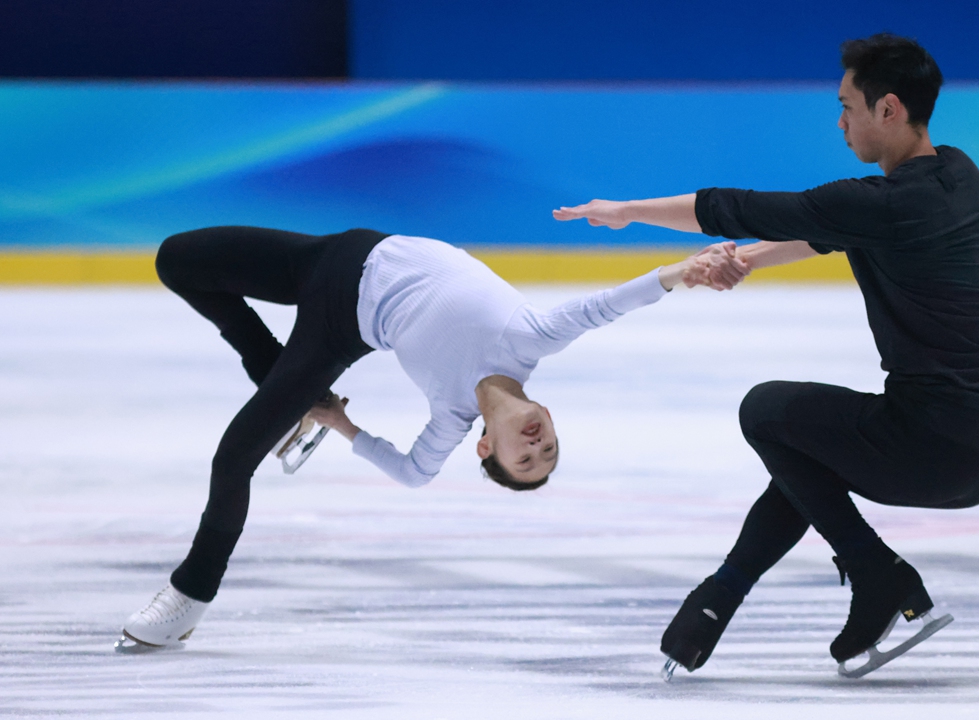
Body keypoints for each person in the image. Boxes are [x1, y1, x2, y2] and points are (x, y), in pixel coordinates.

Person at [553, 33, 979, 677]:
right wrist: (742, 260)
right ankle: (720, 597)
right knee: (804, 448)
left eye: (848, 106)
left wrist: (628, 211)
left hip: (934, 449)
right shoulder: (958, 176)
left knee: (767, 410)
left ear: (888, 109)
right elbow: (831, 232)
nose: (840, 122)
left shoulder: (878, 203)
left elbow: (733, 208)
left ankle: (878, 574)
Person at [116, 226, 728, 651]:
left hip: (338, 329)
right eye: (549, 451)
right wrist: (679, 272)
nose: (538, 446)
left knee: (233, 460)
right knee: (177, 258)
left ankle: (188, 598)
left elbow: (415, 472)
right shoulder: (532, 340)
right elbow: (605, 306)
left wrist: (342, 424)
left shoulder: (452, 416)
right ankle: (275, 375)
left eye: (526, 460)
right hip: (343, 252)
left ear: (486, 448)